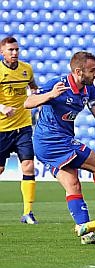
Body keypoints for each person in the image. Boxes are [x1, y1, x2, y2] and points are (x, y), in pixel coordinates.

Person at [24, 51, 95, 242]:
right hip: (51, 140)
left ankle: (86, 232)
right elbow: (28, 102)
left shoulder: (89, 89)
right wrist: (50, 95)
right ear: (79, 72)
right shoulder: (58, 84)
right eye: (92, 70)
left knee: (73, 184)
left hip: (55, 141)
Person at [0, 36, 39, 224]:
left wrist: (35, 98)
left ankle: (27, 212)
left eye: (16, 50)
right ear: (2, 52)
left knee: (28, 166)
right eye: (10, 50)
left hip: (23, 126)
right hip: (2, 128)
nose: (14, 53)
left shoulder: (26, 69)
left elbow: (33, 87)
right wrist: (2, 108)